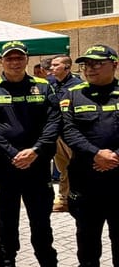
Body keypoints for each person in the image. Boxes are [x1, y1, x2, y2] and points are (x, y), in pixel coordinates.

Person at [0, 40, 71, 267]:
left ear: (26, 60)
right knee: (6, 221)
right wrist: (12, 153)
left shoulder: (43, 87)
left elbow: (54, 122)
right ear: (2, 61)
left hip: (37, 167)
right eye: (10, 58)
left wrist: (35, 150)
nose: (15, 62)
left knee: (41, 222)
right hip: (4, 168)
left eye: (19, 58)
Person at [61, 45, 119, 267]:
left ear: (114, 65)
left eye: (97, 63)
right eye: (86, 64)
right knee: (86, 231)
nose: (90, 69)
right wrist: (96, 153)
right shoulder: (73, 95)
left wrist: (115, 157)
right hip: (86, 175)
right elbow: (68, 130)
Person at [48, 55, 82, 212]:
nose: (52, 68)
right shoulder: (52, 83)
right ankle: (64, 199)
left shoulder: (77, 86)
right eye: (51, 65)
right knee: (63, 168)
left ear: (67, 68)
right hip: (57, 133)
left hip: (72, 133)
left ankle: (76, 197)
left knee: (75, 167)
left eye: (56, 65)